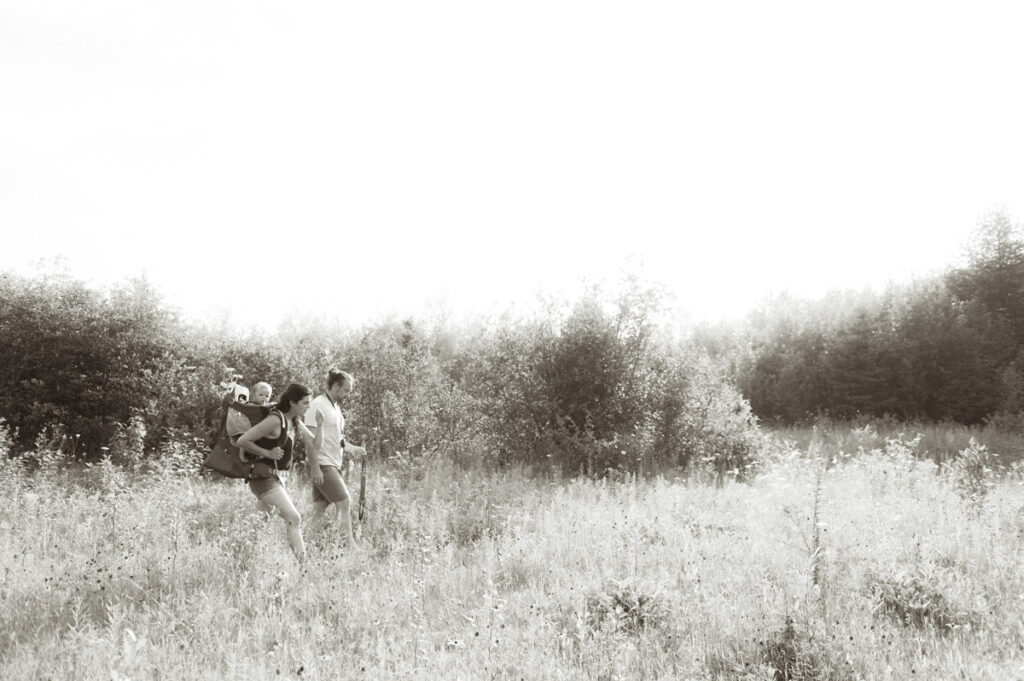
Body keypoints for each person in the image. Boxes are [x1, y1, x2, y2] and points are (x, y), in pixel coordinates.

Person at [237, 382, 323, 563]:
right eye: (305, 403)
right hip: (263, 477)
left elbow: (315, 444)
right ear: (292, 403)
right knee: (294, 518)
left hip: (276, 478)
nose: (308, 406)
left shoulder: (295, 421)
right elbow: (243, 440)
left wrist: (320, 425)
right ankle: (304, 567)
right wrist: (267, 453)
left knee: (258, 524)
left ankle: (241, 560)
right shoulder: (276, 419)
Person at [304, 369, 365, 548]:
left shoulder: (335, 408)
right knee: (344, 502)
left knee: (319, 508)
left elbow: (338, 439)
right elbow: (308, 439)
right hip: (322, 463)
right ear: (336, 386)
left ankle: (308, 544)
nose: (347, 394)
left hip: (332, 462)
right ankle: (349, 546)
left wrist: (352, 448)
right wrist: (315, 467)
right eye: (346, 390)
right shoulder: (317, 404)